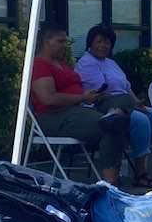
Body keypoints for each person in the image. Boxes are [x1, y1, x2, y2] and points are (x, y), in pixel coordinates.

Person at [76, 23, 152, 186]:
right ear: (90, 43)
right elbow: (100, 93)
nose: (103, 45)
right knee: (140, 120)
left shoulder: (111, 63)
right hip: (105, 107)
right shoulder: (86, 63)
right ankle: (141, 173)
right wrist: (129, 105)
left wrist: (136, 102)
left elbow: (126, 87)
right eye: (99, 41)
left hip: (127, 103)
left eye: (107, 42)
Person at [30, 24, 126, 185]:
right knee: (111, 125)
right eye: (60, 41)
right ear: (46, 42)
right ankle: (111, 183)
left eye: (66, 42)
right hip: (54, 117)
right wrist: (81, 98)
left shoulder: (61, 64)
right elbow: (48, 99)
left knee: (121, 112)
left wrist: (91, 96)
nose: (65, 46)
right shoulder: (40, 65)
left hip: (77, 110)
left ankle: (112, 179)